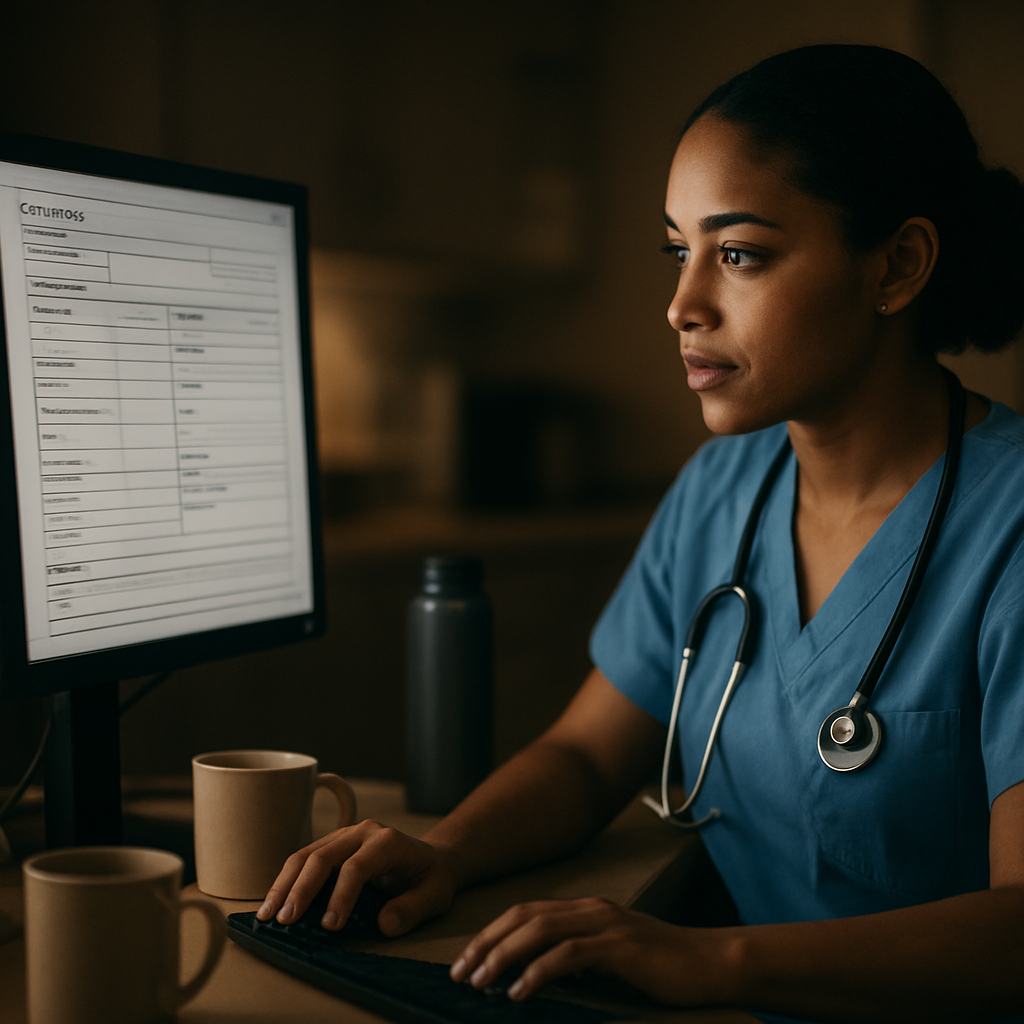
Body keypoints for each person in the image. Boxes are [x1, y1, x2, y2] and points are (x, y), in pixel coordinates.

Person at [258, 45, 1024, 1022]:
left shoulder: (1008, 532)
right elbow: (584, 758)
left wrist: (713, 962)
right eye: (679, 250)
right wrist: (445, 851)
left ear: (897, 265)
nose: (681, 304)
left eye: (738, 254)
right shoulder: (722, 489)